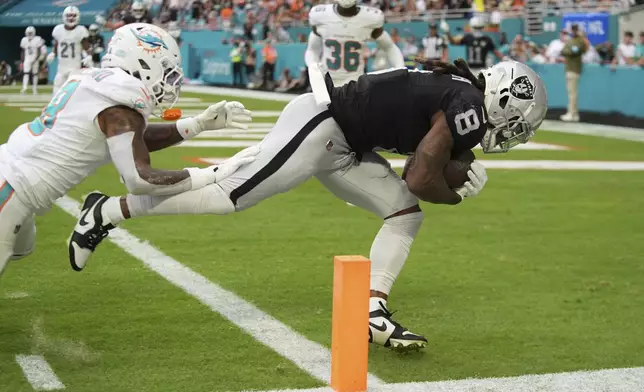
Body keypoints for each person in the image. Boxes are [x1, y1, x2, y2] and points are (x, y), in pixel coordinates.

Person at [69, 59, 548, 352]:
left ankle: (371, 310)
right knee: (225, 197)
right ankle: (107, 211)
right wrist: (456, 192)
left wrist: (456, 166)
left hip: (346, 145)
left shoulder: (463, 97)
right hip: (324, 126)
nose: (517, 133)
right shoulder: (469, 104)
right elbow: (421, 176)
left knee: (403, 213)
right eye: (521, 122)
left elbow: (426, 162)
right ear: (504, 101)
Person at [0, 23, 256, 280]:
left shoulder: (98, 83)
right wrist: (212, 174)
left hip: (13, 176)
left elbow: (130, 138)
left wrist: (197, 125)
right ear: (144, 62)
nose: (169, 81)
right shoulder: (120, 104)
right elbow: (139, 179)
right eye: (166, 71)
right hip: (11, 187)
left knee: (22, 249)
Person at [304, 0, 404, 86]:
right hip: (327, 81)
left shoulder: (370, 19)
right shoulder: (321, 16)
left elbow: (390, 47)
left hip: (355, 84)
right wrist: (313, 67)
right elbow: (312, 50)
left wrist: (400, 69)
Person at [46, 6, 92, 95]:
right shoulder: (58, 29)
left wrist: (89, 56)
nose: (71, 18)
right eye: (69, 15)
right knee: (57, 89)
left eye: (74, 16)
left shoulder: (81, 30)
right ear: (64, 16)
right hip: (61, 67)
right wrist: (53, 53)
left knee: (74, 91)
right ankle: (56, 108)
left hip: (75, 67)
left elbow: (87, 47)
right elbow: (57, 43)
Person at [560, 24, 587, 123]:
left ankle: (572, 114)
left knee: (572, 93)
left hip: (574, 69)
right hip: (569, 68)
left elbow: (574, 51)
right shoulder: (571, 41)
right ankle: (573, 113)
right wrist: (568, 50)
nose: (574, 31)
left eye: (575, 30)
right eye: (573, 30)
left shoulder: (580, 41)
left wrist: (568, 50)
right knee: (571, 93)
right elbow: (563, 51)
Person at [20, 26, 46, 95]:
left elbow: (39, 51)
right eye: (28, 33)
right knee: (26, 73)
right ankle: (24, 88)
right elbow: (22, 51)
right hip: (27, 58)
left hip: (35, 58)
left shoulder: (38, 39)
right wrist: (22, 60)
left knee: (35, 74)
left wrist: (36, 59)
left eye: (31, 33)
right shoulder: (24, 40)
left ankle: (34, 88)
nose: (30, 34)